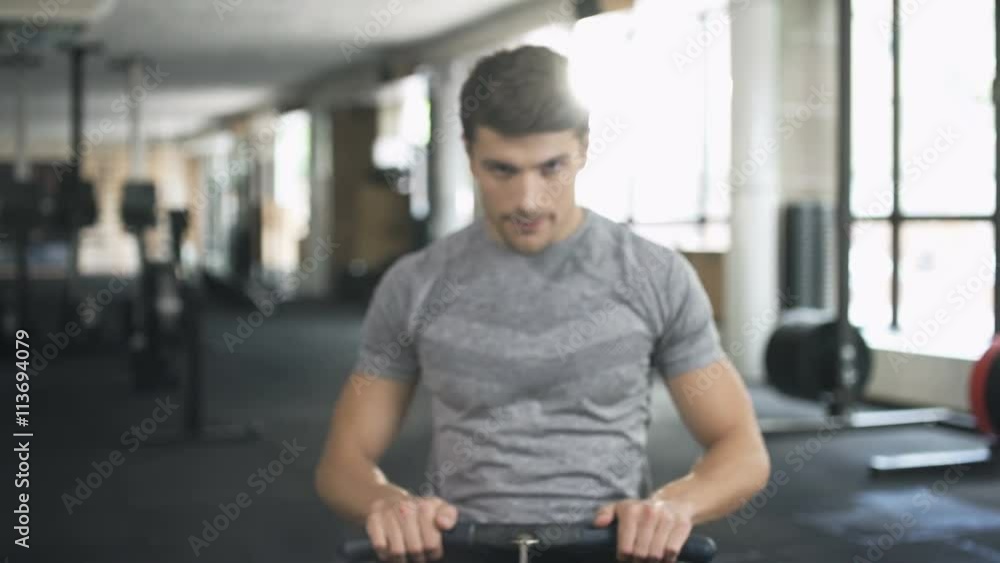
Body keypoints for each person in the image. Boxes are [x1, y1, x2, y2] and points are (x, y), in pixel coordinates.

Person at [316, 45, 771, 563]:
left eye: (550, 167)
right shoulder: (415, 283)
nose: (528, 200)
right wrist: (387, 503)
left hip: (608, 551)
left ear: (582, 149)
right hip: (464, 548)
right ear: (468, 154)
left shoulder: (653, 275)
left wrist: (673, 506)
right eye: (502, 170)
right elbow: (343, 460)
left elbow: (741, 446)